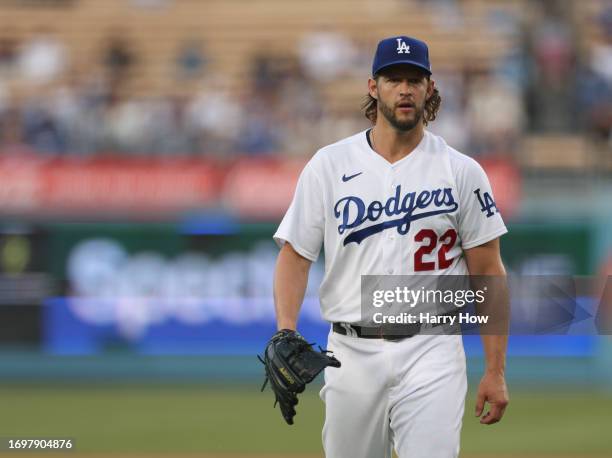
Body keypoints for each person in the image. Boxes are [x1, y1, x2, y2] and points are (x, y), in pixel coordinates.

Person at [271, 35, 509, 458]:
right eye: (393, 78)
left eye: (414, 80)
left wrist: (495, 370)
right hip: (350, 350)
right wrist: (285, 328)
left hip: (432, 349)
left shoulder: (461, 171)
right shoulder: (329, 164)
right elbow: (295, 255)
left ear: (429, 88)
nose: (405, 89)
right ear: (372, 86)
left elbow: (489, 272)